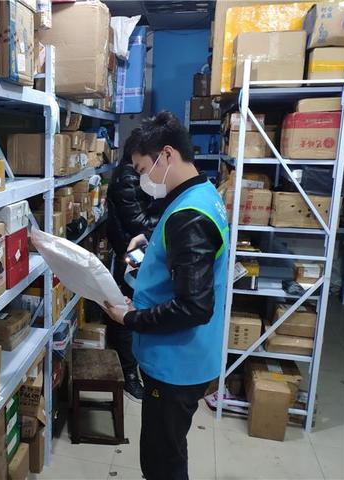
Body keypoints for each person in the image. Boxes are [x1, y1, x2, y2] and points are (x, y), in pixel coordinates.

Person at [103, 111, 229, 480]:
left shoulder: (189, 216)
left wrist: (130, 318)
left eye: (143, 170)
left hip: (176, 363)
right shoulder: (201, 194)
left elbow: (193, 306)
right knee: (167, 450)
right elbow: (184, 263)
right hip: (187, 356)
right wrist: (149, 245)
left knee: (161, 463)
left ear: (167, 155)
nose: (144, 180)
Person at [106, 141, 159, 401]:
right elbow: (139, 223)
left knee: (136, 307)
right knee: (127, 312)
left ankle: (135, 368)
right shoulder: (128, 177)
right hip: (132, 255)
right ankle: (129, 374)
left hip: (138, 251)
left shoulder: (135, 176)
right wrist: (169, 215)